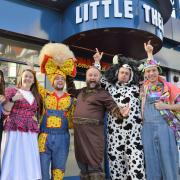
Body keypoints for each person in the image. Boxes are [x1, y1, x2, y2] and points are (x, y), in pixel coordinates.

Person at [93, 49, 146, 180]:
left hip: (134, 135)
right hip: (114, 133)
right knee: (116, 166)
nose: (124, 75)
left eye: (127, 73)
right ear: (117, 73)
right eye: (122, 72)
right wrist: (97, 62)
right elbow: (96, 78)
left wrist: (149, 55)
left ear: (130, 75)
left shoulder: (137, 88)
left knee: (136, 166)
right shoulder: (109, 86)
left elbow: (150, 74)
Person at [66, 65, 125, 180]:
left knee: (94, 168)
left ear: (99, 78)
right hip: (79, 137)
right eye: (90, 75)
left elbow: (113, 108)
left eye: (95, 75)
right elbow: (70, 90)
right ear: (86, 78)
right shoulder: (81, 91)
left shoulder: (103, 93)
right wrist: (68, 76)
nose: (92, 78)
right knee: (83, 167)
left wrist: (121, 113)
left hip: (94, 137)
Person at [140, 41, 180, 180]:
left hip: (165, 126)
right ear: (145, 74)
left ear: (159, 72)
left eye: (154, 70)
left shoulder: (169, 86)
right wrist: (149, 54)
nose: (151, 73)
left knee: (169, 162)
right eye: (148, 71)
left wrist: (166, 106)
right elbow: (150, 63)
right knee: (151, 163)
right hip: (147, 128)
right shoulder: (143, 88)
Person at [37, 43, 76, 180]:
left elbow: (75, 118)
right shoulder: (44, 94)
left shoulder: (72, 100)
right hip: (44, 137)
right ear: (52, 81)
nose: (60, 81)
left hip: (62, 138)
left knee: (59, 171)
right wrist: (30, 70)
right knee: (42, 170)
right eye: (57, 79)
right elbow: (32, 84)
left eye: (62, 79)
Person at [1, 68, 42, 180]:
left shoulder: (35, 95)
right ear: (21, 78)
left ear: (33, 81)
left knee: (28, 155)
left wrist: (35, 121)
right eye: (26, 76)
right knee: (14, 154)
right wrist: (14, 99)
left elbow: (34, 112)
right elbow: (5, 111)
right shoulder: (12, 91)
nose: (28, 78)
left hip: (30, 129)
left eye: (30, 77)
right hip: (15, 127)